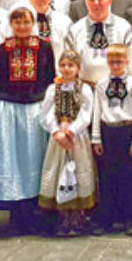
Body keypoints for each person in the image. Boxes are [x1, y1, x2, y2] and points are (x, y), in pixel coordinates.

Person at [0, 7, 55, 234]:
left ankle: (37, 212)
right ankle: (16, 214)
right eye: (17, 22)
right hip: (10, 108)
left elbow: (50, 79)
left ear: (33, 23)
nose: (22, 27)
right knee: (14, 160)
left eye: (26, 22)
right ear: (11, 24)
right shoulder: (2, 50)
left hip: (36, 108)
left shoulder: (45, 47)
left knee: (35, 158)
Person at [38, 50, 95, 236]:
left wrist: (72, 130)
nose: (66, 69)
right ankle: (62, 217)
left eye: (71, 65)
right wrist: (57, 132)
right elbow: (45, 113)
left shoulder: (84, 89)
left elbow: (86, 113)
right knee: (58, 171)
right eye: (63, 65)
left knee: (78, 171)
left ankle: (78, 217)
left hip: (77, 137)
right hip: (58, 139)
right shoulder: (52, 89)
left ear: (78, 68)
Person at [91, 44, 132, 236]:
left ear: (126, 62)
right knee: (107, 178)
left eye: (119, 61)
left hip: (126, 130)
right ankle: (107, 219)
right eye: (112, 61)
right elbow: (96, 111)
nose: (116, 65)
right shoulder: (101, 85)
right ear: (107, 62)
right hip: (108, 132)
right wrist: (96, 138)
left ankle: (128, 219)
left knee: (127, 178)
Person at [64, 0, 132, 85]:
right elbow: (68, 61)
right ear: (86, 3)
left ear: (109, 1)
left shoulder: (124, 27)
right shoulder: (75, 30)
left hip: (117, 88)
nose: (96, 3)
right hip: (85, 88)